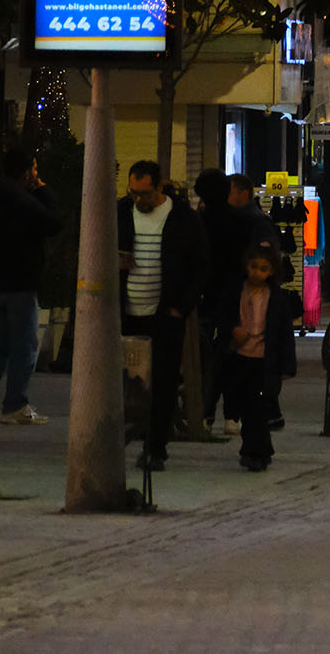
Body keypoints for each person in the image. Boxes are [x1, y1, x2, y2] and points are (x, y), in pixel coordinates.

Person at [119, 160, 209, 470]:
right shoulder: (122, 212)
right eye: (133, 192)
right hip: (127, 312)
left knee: (164, 380)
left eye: (144, 193)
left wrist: (181, 307)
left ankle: (156, 446)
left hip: (165, 313)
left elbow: (200, 265)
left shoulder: (182, 217)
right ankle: (123, 440)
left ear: (159, 188)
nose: (138, 199)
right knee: (125, 381)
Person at [0, 147, 64, 424]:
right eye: (34, 169)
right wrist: (43, 190)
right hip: (21, 284)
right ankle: (15, 405)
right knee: (24, 347)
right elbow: (53, 221)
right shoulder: (20, 199)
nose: (36, 174)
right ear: (26, 171)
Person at [201, 172, 276, 434]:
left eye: (231, 191)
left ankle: (215, 412)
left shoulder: (249, 221)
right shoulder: (242, 220)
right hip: (231, 300)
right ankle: (228, 414)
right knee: (226, 360)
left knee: (224, 360)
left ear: (243, 192)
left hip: (232, 301)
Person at [220, 244, 297, 471]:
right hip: (240, 356)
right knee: (246, 406)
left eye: (263, 269)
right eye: (253, 267)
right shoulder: (236, 291)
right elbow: (223, 316)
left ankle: (256, 451)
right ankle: (255, 449)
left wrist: (287, 365)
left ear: (271, 271)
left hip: (264, 360)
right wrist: (233, 331)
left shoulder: (276, 298)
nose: (257, 273)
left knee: (258, 408)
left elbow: (284, 333)